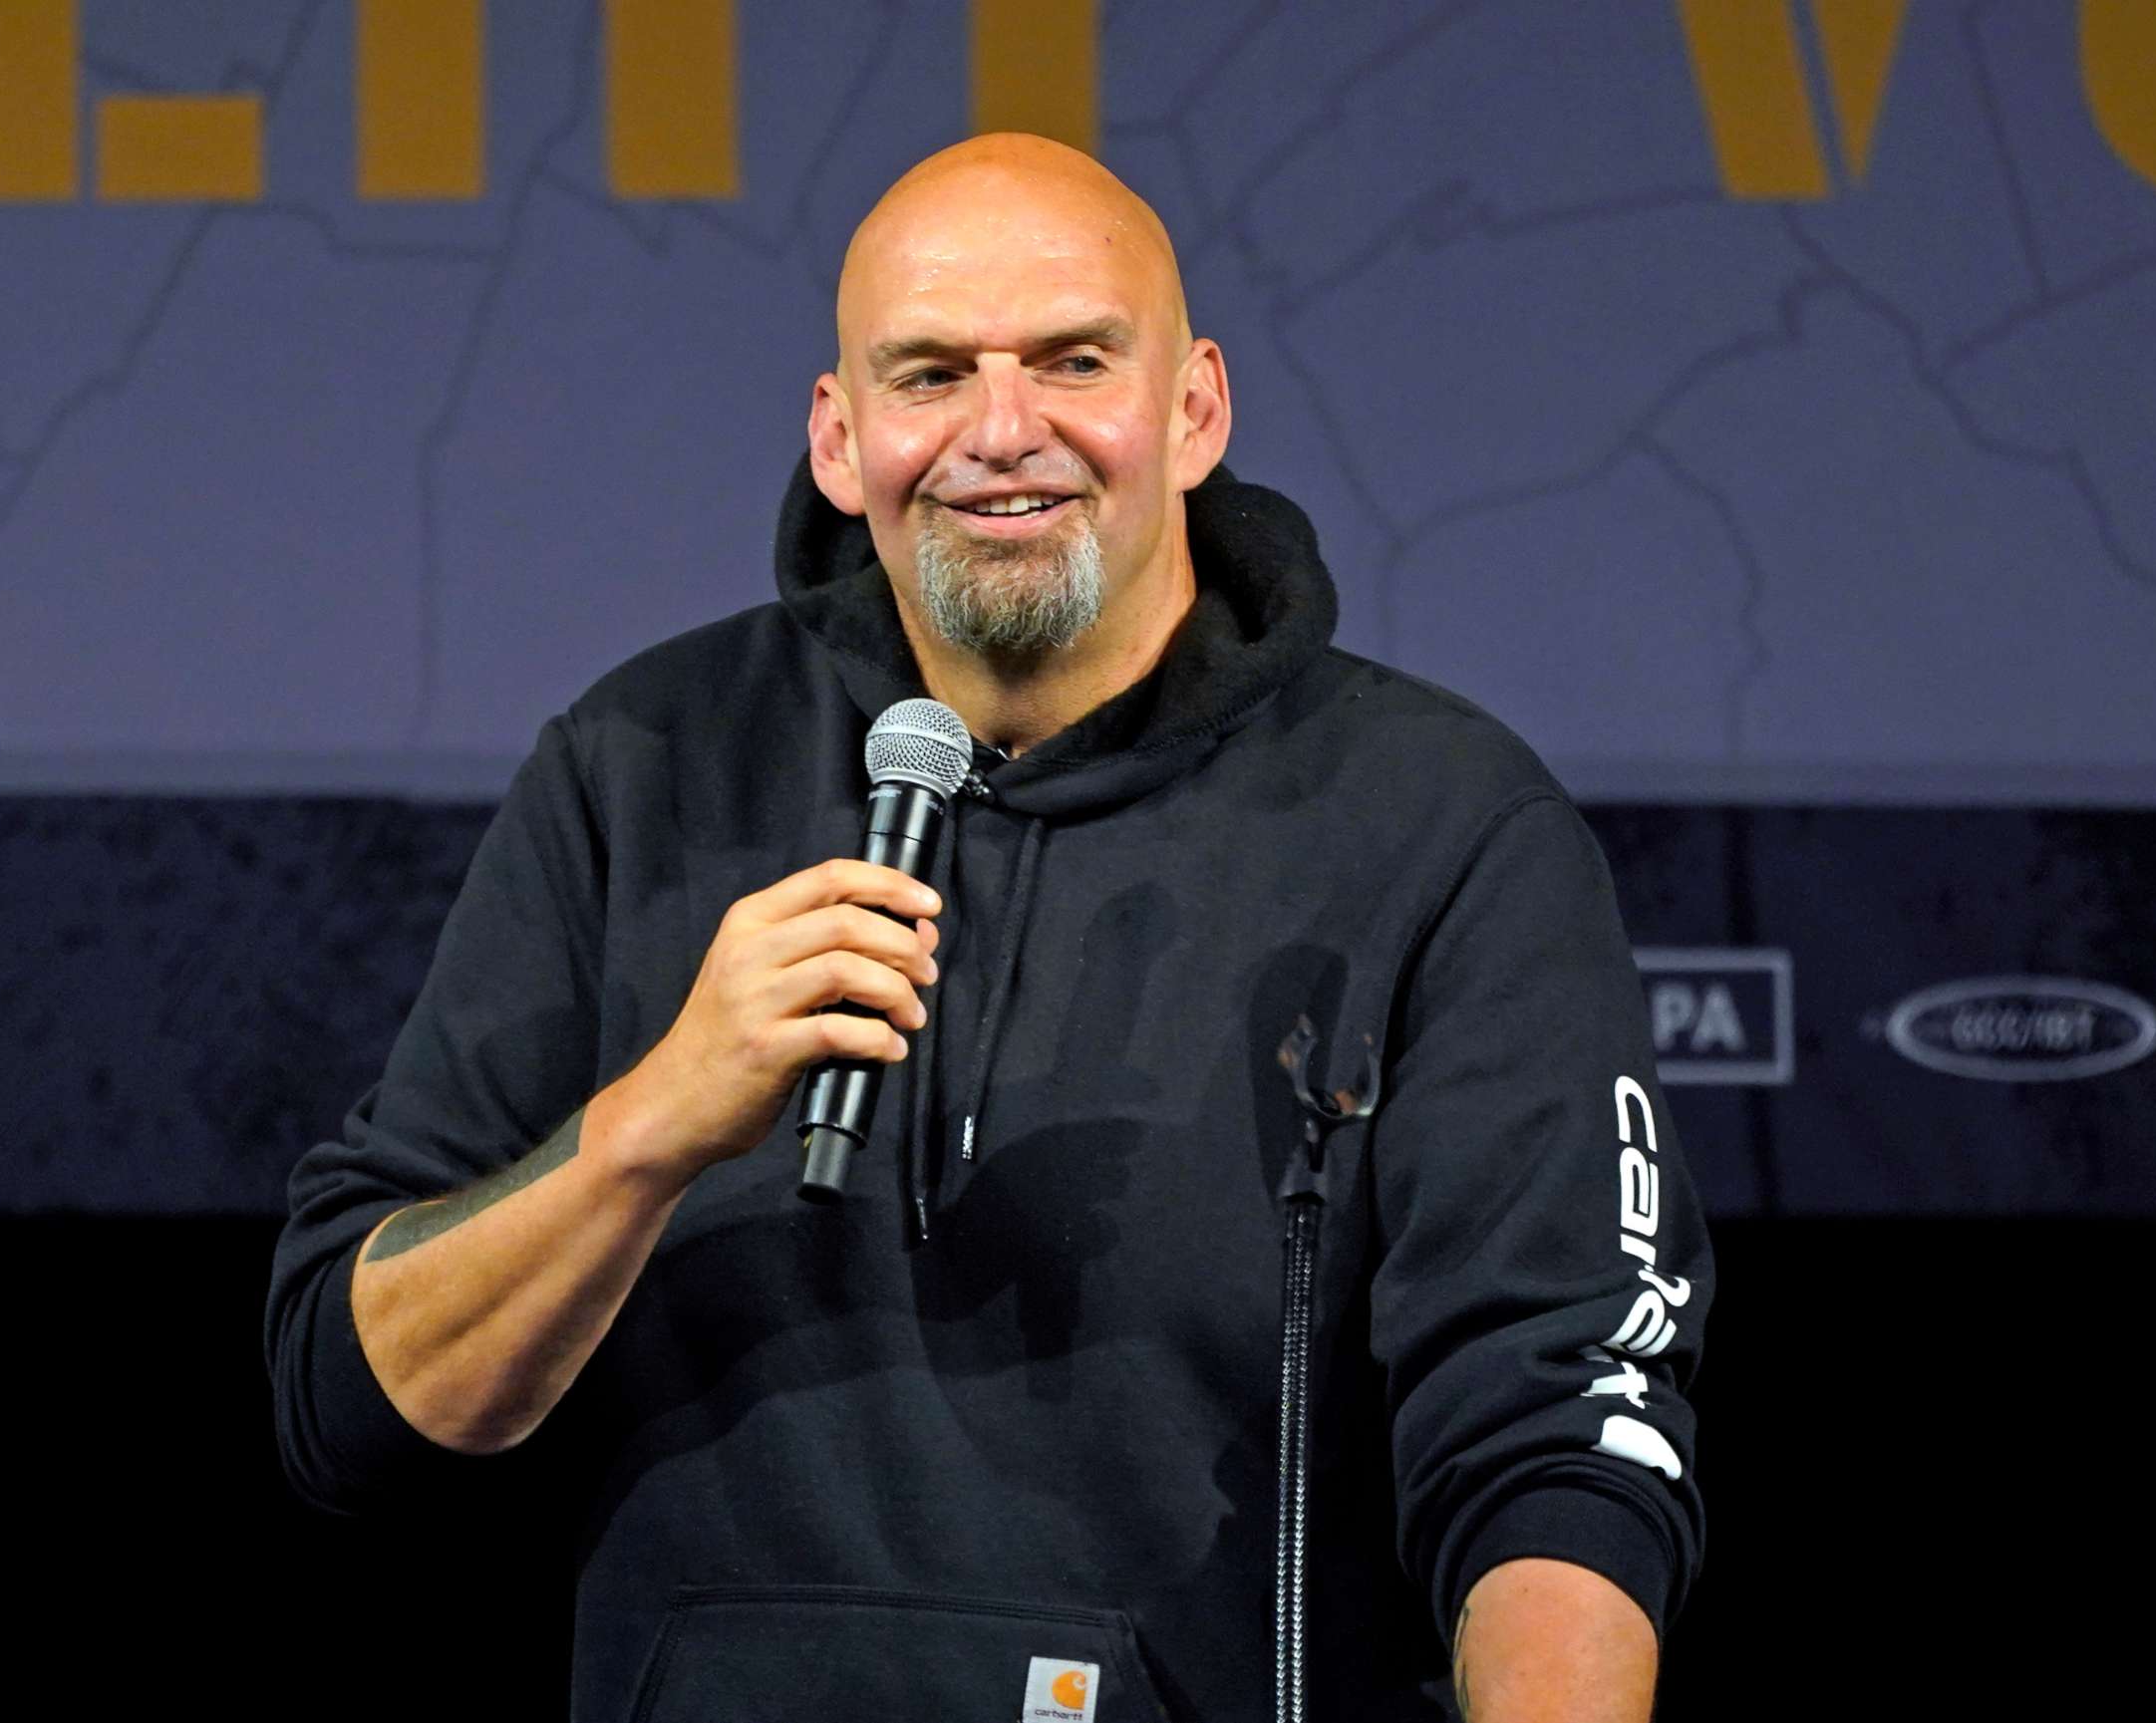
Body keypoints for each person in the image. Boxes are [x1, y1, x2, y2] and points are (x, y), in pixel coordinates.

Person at [267, 134, 1708, 1721]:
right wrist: (651, 1124)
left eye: (1074, 360)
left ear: (1195, 409)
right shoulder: (641, 765)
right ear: (839, 435)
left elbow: (1560, 1430)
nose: (1001, 432)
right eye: (931, 373)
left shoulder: (1443, 823)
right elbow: (355, 1410)